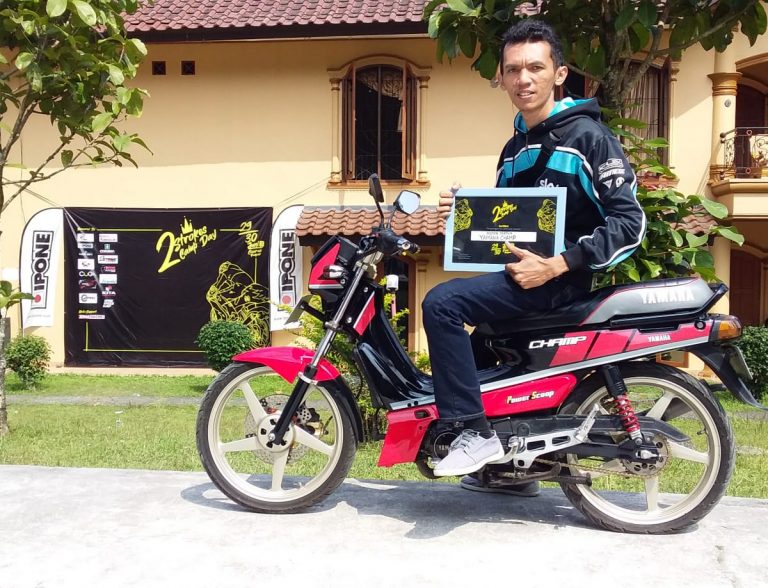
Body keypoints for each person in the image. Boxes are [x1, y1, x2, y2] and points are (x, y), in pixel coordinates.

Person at [424, 19, 647, 495]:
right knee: (480, 350)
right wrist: (462, 215)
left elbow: (630, 224)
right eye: (512, 70)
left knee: (442, 304)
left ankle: (474, 434)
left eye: (535, 68)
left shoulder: (588, 138)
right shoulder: (513, 150)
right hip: (522, 280)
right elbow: (504, 230)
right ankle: (512, 469)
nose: (523, 79)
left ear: (559, 73)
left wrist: (557, 264)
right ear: (501, 78)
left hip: (560, 281)